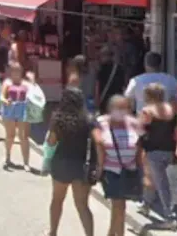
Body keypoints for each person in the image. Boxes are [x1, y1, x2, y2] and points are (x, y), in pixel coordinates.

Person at [46, 85, 98, 236]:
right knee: (82, 205)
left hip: (61, 162)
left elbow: (51, 142)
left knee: (57, 200)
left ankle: (53, 232)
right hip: (81, 164)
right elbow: (97, 141)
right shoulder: (89, 120)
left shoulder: (58, 118)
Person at [98, 95, 144, 236]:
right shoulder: (101, 123)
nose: (122, 111)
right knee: (119, 205)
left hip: (129, 171)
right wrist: (98, 169)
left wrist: (143, 171)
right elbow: (98, 147)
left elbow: (140, 147)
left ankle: (112, 233)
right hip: (110, 170)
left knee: (120, 206)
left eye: (125, 108)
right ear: (110, 109)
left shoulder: (134, 123)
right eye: (118, 108)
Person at [137, 84, 177, 230]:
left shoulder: (147, 111)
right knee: (154, 178)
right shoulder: (171, 109)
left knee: (161, 183)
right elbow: (176, 128)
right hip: (169, 149)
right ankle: (146, 204)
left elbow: (140, 131)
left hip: (153, 149)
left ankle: (170, 217)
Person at [1, 61, 32, 170]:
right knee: (10, 135)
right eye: (14, 70)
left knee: (24, 136)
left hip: (22, 110)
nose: (16, 72)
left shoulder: (26, 83)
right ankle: (7, 157)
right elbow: (2, 96)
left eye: (18, 70)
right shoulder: (7, 83)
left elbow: (33, 95)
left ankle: (26, 162)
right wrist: (5, 101)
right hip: (10, 109)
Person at [95, 46, 127, 115]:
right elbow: (124, 86)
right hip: (117, 100)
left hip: (105, 102)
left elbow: (97, 87)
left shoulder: (101, 69)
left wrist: (97, 101)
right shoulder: (119, 68)